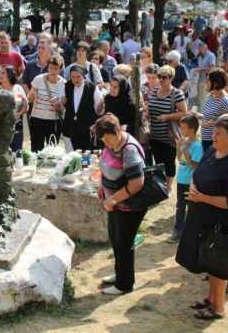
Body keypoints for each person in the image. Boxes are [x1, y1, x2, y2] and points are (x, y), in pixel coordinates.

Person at [176, 114, 228, 320]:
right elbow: (197, 173)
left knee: (218, 265)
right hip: (202, 218)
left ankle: (219, 308)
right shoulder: (211, 151)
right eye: (214, 131)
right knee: (209, 261)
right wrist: (194, 189)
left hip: (221, 222)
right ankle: (212, 298)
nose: (214, 135)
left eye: (219, 133)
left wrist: (202, 198)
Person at [95, 113, 147, 295]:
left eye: (109, 139)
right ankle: (119, 273)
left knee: (124, 243)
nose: (107, 144)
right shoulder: (111, 145)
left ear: (118, 130)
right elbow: (105, 165)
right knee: (115, 239)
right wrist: (102, 185)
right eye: (104, 141)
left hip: (128, 205)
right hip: (113, 203)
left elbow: (136, 184)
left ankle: (125, 284)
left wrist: (113, 199)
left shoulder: (129, 149)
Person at [147, 65, 188, 194]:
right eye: (159, 76)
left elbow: (184, 113)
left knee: (169, 162)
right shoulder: (155, 90)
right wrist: (148, 114)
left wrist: (167, 117)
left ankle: (169, 187)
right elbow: (152, 107)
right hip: (154, 134)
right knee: (158, 162)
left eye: (164, 77)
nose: (161, 79)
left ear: (171, 78)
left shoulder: (177, 93)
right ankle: (160, 185)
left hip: (169, 136)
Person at [167, 115, 203, 243]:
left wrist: (186, 151)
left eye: (183, 128)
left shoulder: (197, 146)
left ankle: (192, 232)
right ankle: (178, 230)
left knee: (191, 208)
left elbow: (193, 165)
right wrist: (178, 147)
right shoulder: (185, 140)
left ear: (191, 130)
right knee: (180, 206)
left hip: (190, 181)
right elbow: (179, 158)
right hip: (181, 179)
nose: (180, 130)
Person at [60, 65, 104, 152]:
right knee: (71, 155)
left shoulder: (92, 87)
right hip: (70, 126)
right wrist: (62, 103)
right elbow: (60, 106)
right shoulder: (67, 86)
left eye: (78, 77)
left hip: (87, 128)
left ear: (83, 76)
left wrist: (102, 103)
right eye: (73, 77)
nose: (75, 79)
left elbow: (99, 110)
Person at [27, 56, 66, 152]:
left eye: (55, 68)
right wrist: (31, 97)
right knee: (36, 149)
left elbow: (64, 107)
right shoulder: (39, 79)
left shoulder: (64, 84)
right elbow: (30, 97)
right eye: (50, 68)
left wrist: (58, 105)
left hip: (54, 121)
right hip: (37, 119)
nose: (52, 71)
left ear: (60, 69)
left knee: (52, 151)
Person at [190, 68, 228, 152]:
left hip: (216, 141)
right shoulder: (212, 95)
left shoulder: (225, 101)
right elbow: (213, 116)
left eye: (208, 80)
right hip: (206, 139)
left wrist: (214, 123)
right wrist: (199, 116)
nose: (206, 82)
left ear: (216, 83)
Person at [0, 64, 28, 151]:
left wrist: (19, 113)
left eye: (3, 73)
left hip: (17, 127)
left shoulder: (18, 88)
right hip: (0, 129)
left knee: (17, 153)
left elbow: (25, 105)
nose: (0, 75)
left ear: (11, 75)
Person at [195, 42, 216, 111]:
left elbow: (212, 68)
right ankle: (202, 113)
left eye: (201, 50)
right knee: (201, 98)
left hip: (207, 80)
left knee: (206, 97)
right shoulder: (200, 56)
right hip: (200, 79)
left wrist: (201, 69)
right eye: (199, 50)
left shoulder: (210, 55)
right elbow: (199, 65)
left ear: (205, 48)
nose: (200, 52)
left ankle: (206, 113)